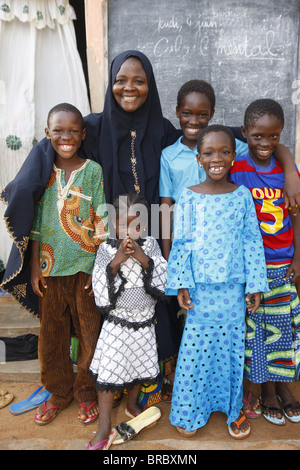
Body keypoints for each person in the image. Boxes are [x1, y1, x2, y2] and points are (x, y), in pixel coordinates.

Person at [166, 125, 269, 439]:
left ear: (234, 157)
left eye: (225, 151)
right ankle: (188, 410)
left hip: (232, 292)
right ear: (198, 159)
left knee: (230, 351)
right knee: (196, 351)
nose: (217, 158)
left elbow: (252, 240)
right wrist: (181, 283)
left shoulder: (241, 196)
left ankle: (232, 409)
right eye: (209, 152)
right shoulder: (188, 196)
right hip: (200, 292)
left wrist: (254, 284)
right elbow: (182, 241)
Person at [30, 103, 108, 425]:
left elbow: (101, 221)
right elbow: (35, 223)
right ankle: (59, 391)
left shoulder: (92, 171)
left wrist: (99, 266)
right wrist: (34, 266)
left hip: (84, 268)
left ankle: (86, 391)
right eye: (58, 131)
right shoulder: (42, 172)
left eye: (73, 131)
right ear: (47, 134)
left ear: (83, 134)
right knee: (52, 335)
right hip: (49, 270)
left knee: (90, 335)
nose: (66, 137)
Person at [230, 99, 300, 425]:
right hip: (253, 268)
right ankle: (267, 390)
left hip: (283, 263)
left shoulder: (287, 173)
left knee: (283, 328)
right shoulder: (237, 170)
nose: (265, 143)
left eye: (274, 137)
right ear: (245, 133)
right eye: (258, 136)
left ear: (280, 136)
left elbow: (296, 217)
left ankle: (286, 387)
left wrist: (298, 256)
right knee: (258, 331)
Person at [87, 193, 167, 450]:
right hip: (117, 322)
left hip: (144, 321)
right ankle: (104, 426)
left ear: (144, 225)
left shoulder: (151, 245)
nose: (128, 231)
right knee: (109, 373)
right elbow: (100, 286)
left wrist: (142, 257)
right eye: (122, 224)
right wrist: (117, 260)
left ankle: (132, 405)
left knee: (138, 367)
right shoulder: (106, 249)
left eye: (136, 225)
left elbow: (163, 279)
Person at [159, 79, 248, 261]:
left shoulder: (228, 145)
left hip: (220, 238)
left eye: (202, 115)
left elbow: (263, 146)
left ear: (212, 114)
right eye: (187, 114)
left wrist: (290, 169)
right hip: (184, 241)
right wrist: (167, 256)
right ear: (177, 112)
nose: (193, 121)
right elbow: (166, 207)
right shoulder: (168, 156)